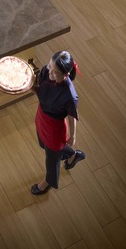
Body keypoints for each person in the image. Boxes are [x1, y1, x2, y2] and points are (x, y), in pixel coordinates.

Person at [30, 49, 86, 195]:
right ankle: (73, 155)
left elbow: (72, 116)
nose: (50, 73)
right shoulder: (46, 71)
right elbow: (41, 93)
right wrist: (29, 87)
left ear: (66, 74)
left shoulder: (70, 95)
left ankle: (48, 182)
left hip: (55, 128)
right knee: (43, 144)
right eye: (50, 66)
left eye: (55, 73)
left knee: (52, 159)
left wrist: (73, 135)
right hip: (41, 116)